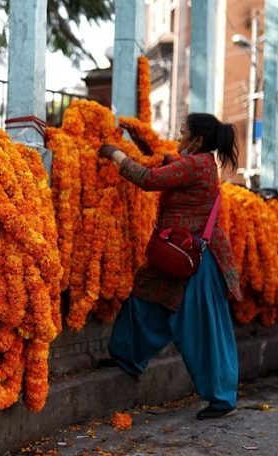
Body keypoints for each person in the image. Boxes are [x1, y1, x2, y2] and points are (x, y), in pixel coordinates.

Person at [99, 113, 242, 420]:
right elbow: (167, 166)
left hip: (194, 262)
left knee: (202, 329)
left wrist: (115, 154)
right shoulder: (199, 163)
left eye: (182, 133)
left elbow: (149, 180)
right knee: (144, 298)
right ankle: (128, 357)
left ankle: (222, 397)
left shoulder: (197, 164)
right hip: (175, 254)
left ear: (198, 140)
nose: (178, 139)